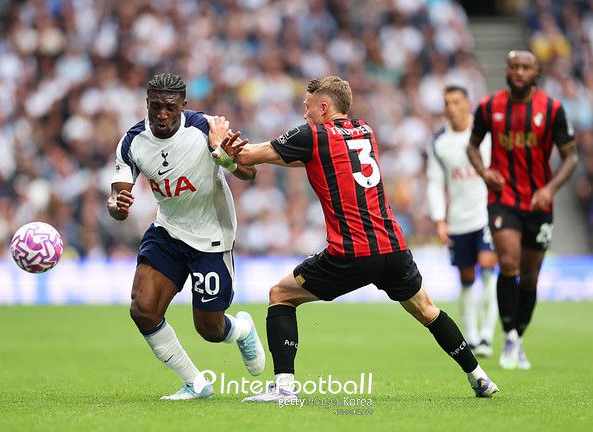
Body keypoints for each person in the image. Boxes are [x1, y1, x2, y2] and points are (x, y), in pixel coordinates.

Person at [210, 76, 499, 401]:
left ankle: (285, 388)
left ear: (323, 107)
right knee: (427, 310)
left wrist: (219, 142)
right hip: (393, 247)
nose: (304, 114)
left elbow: (249, 156)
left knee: (281, 295)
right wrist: (240, 158)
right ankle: (479, 377)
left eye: (307, 107)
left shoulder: (311, 135)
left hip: (351, 252)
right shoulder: (365, 131)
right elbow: (294, 157)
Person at [106, 73, 265, 400]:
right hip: (168, 230)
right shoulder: (133, 141)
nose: (162, 115)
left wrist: (224, 157)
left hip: (212, 236)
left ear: (184, 106)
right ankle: (196, 382)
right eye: (155, 107)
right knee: (143, 309)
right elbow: (116, 198)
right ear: (146, 104)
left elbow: (250, 172)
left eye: (170, 108)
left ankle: (242, 329)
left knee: (209, 329)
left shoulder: (208, 128)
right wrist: (116, 206)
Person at [467, 50, 579, 369]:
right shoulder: (489, 106)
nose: (518, 72)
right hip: (503, 198)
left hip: (538, 202)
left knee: (530, 277)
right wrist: (483, 172)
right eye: (514, 66)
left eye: (525, 67)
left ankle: (518, 335)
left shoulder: (552, 109)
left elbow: (571, 157)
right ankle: (508, 335)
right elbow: (472, 145)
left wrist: (550, 189)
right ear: (507, 70)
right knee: (507, 261)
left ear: (536, 72)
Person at [427, 86, 498, 357]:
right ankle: (471, 337)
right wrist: (439, 219)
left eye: (456, 101)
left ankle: (487, 336)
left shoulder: (486, 134)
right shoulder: (439, 142)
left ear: (468, 104)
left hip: (487, 214)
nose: (451, 107)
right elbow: (435, 183)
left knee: (488, 268)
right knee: (467, 277)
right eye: (447, 102)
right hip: (458, 219)